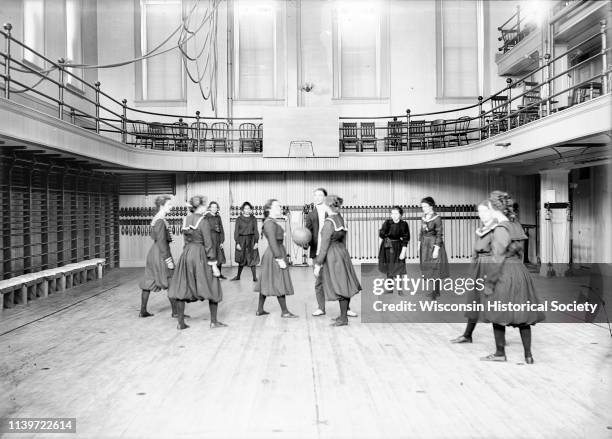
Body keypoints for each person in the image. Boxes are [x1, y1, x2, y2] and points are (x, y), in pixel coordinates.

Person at [476, 192, 544, 364]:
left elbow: (497, 258)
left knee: (496, 311)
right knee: (523, 315)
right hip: (520, 272)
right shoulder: (516, 225)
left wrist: (489, 283)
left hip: (504, 272)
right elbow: (520, 252)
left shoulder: (500, 228)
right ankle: (528, 355)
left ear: (492, 208)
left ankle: (500, 353)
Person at [168, 195, 227, 330]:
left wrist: (187, 253)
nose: (206, 207)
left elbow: (186, 240)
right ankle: (214, 321)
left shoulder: (186, 219)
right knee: (213, 285)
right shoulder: (203, 221)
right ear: (200, 206)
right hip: (200, 254)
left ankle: (181, 323)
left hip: (187, 253)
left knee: (183, 287)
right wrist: (213, 264)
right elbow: (208, 244)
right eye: (204, 205)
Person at [305, 188, 358, 318]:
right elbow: (307, 233)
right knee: (320, 281)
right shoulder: (312, 215)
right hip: (322, 252)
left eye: (320, 195)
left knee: (340, 280)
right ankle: (321, 308)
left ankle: (346, 310)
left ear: (325, 198)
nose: (317, 197)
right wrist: (304, 242)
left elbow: (331, 238)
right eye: (315, 195)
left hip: (330, 252)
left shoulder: (333, 217)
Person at [254, 199, 298, 318]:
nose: (280, 208)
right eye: (277, 206)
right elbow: (272, 242)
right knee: (279, 281)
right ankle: (285, 312)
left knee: (265, 282)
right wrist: (279, 259)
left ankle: (259, 310)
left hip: (275, 252)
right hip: (274, 254)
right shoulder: (269, 223)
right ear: (269, 209)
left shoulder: (272, 222)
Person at [138, 195, 177, 318]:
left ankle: (142, 311)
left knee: (148, 281)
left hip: (153, 254)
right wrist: (168, 260)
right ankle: (176, 312)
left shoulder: (157, 218)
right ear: (162, 206)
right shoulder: (160, 220)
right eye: (169, 205)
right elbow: (161, 242)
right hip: (160, 254)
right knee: (171, 281)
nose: (171, 207)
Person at [419, 196, 449, 300]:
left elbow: (439, 234)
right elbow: (421, 232)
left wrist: (436, 249)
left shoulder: (437, 218)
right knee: (428, 267)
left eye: (425, 206)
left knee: (435, 267)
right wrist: (419, 243)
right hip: (425, 245)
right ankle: (434, 290)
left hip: (433, 244)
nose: (423, 208)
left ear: (431, 206)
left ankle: (436, 291)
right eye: (422, 207)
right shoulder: (424, 217)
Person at [378, 206, 410, 294]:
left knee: (399, 267)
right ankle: (389, 288)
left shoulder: (404, 224)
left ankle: (400, 289)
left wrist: (403, 251)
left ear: (400, 215)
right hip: (387, 246)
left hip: (398, 247)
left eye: (396, 213)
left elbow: (406, 238)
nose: (394, 215)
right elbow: (381, 235)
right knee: (389, 267)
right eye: (392, 213)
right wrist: (383, 233)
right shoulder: (387, 223)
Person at [231, 201, 260, 282]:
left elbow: (256, 231)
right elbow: (236, 231)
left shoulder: (253, 218)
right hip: (241, 240)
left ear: (250, 210)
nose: (247, 210)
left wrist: (256, 242)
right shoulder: (238, 219)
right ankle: (238, 276)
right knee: (241, 258)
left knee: (252, 258)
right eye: (245, 208)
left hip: (251, 240)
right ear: (242, 210)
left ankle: (254, 278)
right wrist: (237, 243)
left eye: (248, 208)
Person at [205, 201, 227, 279]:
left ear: (217, 208)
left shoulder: (218, 217)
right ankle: (212, 275)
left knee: (219, 257)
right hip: (210, 239)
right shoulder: (206, 217)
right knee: (212, 257)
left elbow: (221, 229)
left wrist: (222, 241)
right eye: (212, 207)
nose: (214, 208)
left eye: (215, 207)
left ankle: (219, 274)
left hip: (218, 239)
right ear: (210, 208)